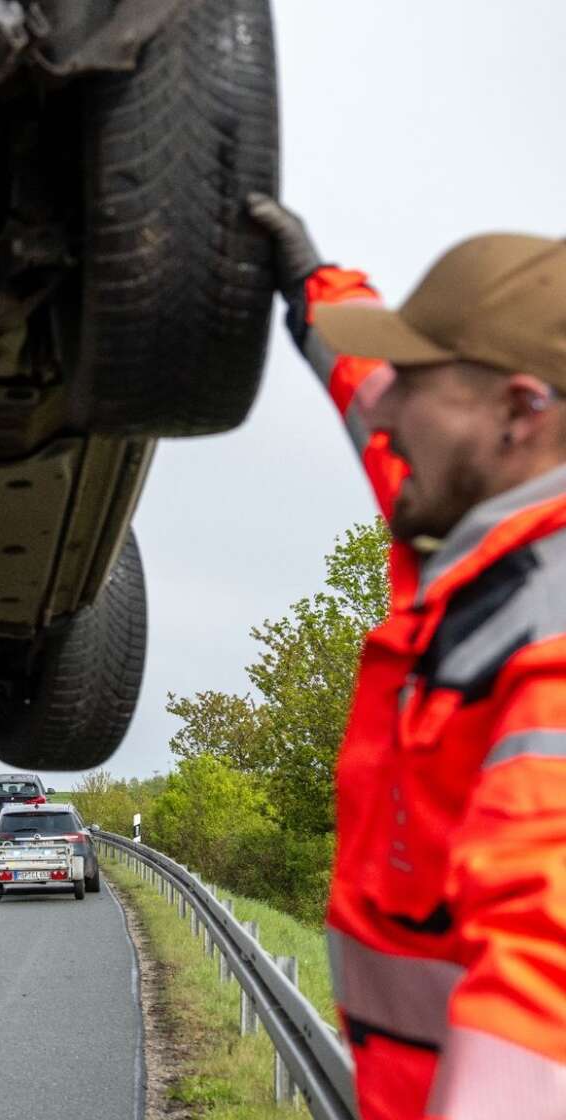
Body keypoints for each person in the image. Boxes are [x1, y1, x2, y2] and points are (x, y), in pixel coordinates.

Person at [247, 195, 566, 1120]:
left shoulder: (547, 630)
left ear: (519, 411)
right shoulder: (475, 522)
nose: (386, 421)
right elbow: (371, 388)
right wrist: (311, 285)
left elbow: (545, 968)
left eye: (418, 386)